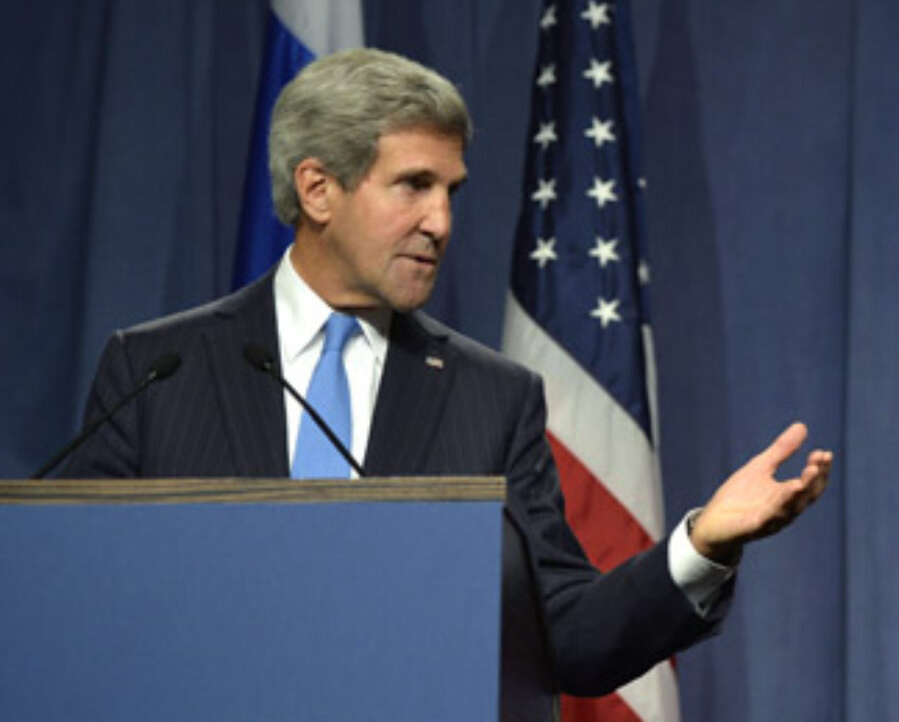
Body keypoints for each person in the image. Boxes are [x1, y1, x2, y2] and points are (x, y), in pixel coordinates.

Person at [65, 48, 833, 715]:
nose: (440, 221)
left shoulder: (491, 397)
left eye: (450, 192)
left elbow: (566, 637)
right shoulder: (157, 371)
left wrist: (701, 545)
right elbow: (79, 606)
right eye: (413, 185)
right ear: (318, 189)